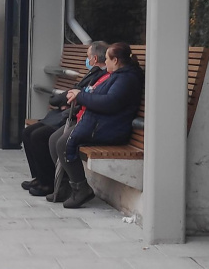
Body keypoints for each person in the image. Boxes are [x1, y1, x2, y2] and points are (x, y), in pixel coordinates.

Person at [59, 42, 144, 208]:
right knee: (59, 140)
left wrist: (81, 96)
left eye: (107, 59)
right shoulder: (119, 75)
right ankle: (68, 187)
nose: (105, 63)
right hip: (101, 124)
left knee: (64, 143)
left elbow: (109, 102)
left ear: (116, 60)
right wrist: (81, 94)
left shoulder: (126, 79)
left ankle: (80, 189)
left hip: (109, 129)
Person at [22, 41, 109, 198]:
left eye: (88, 56)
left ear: (95, 58)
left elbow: (79, 94)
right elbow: (72, 92)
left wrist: (67, 100)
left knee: (38, 136)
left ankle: (48, 182)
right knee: (28, 132)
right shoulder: (94, 72)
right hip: (67, 113)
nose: (87, 59)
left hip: (73, 117)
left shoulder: (101, 76)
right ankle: (40, 177)